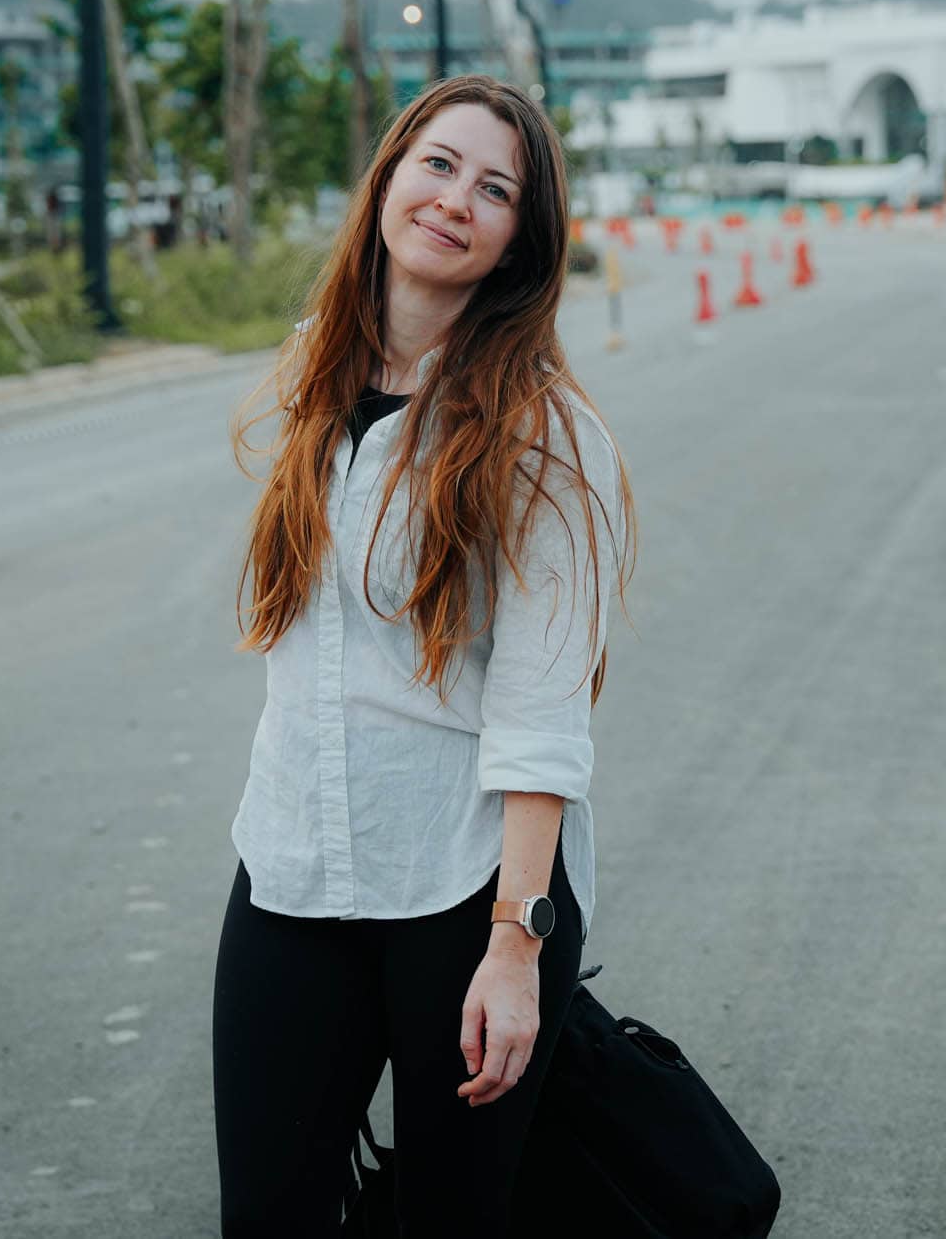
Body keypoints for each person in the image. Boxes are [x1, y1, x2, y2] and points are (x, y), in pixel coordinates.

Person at [214, 74, 637, 1234]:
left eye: (495, 189)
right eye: (437, 164)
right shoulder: (314, 372)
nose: (456, 199)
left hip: (463, 882)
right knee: (266, 1211)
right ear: (391, 176)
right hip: (295, 858)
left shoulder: (546, 436)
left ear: (517, 242)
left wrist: (517, 944)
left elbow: (542, 707)